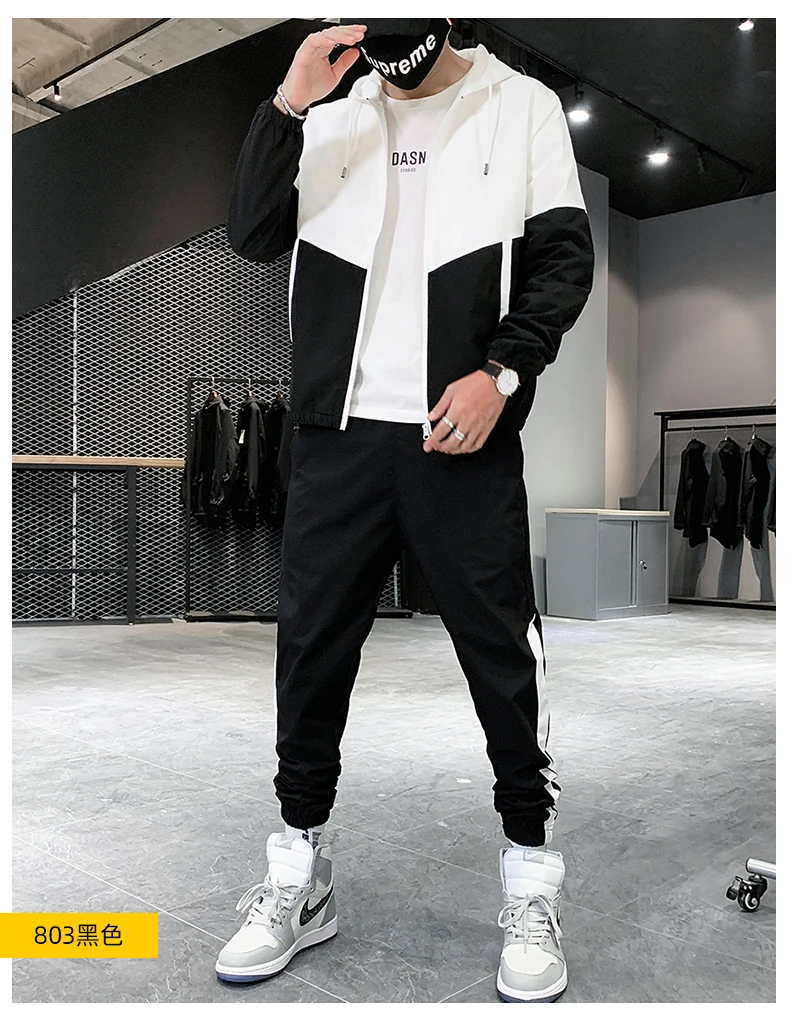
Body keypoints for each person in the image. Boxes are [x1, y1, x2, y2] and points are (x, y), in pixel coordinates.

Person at [217, 18, 594, 1004]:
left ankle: (530, 876)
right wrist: (288, 102)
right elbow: (251, 233)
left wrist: (501, 372)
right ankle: (299, 870)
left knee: (500, 657)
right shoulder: (332, 118)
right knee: (310, 652)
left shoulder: (521, 107)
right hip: (336, 438)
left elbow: (564, 261)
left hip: (459, 434)